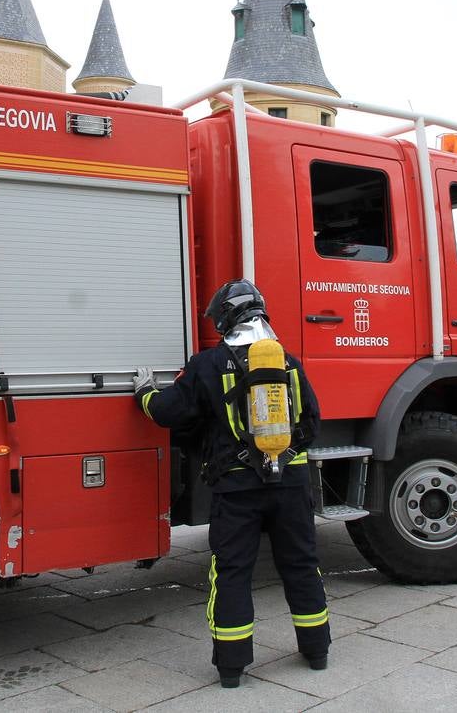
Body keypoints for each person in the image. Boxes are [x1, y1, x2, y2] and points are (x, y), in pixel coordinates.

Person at [133, 279, 329, 688]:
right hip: (291, 483)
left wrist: (144, 393)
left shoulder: (208, 364)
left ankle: (232, 668)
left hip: (237, 489)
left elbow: (169, 412)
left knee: (232, 573)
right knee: (301, 566)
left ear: (226, 317)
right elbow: (311, 421)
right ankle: (317, 652)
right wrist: (281, 457)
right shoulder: (289, 363)